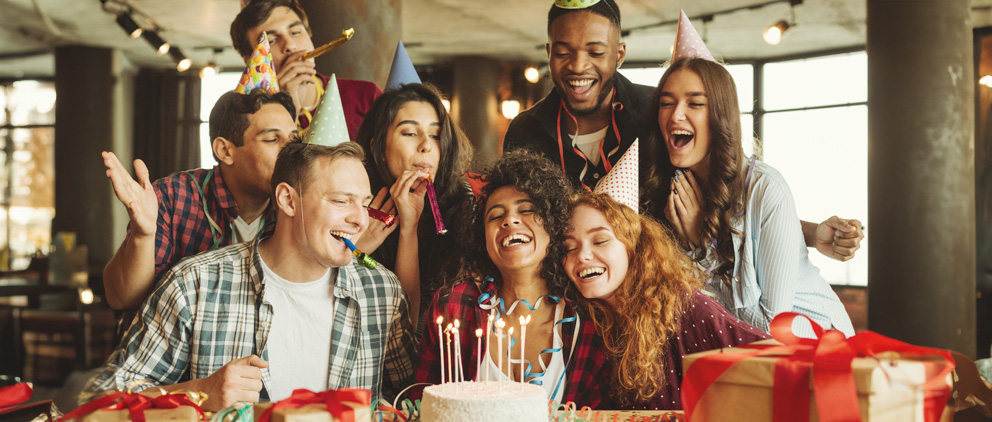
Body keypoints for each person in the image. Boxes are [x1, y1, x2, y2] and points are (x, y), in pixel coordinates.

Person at [504, 0, 864, 262]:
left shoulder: (658, 110)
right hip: (563, 302)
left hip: (653, 300)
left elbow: (729, 198)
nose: (578, 65)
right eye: (563, 52)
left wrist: (812, 234)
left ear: (619, 54)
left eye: (595, 51)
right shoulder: (524, 132)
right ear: (549, 53)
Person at [86, 142, 415, 410]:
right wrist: (199, 391)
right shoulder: (194, 285)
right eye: (341, 201)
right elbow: (103, 397)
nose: (360, 220)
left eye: (364, 204)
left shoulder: (380, 291)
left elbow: (407, 398)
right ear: (288, 199)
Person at [641, 57, 855, 337]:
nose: (675, 115)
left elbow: (769, 328)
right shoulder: (671, 193)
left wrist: (702, 250)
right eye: (666, 103)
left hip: (818, 347)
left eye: (695, 103)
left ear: (721, 115)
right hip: (743, 361)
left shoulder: (766, 188)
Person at [414, 151, 609, 407]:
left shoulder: (588, 318)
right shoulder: (453, 307)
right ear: (482, 238)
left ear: (553, 225)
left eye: (527, 210)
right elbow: (422, 405)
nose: (510, 220)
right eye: (495, 216)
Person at [563, 191, 768, 410]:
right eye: (569, 248)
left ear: (633, 246)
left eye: (600, 240)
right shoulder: (579, 322)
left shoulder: (685, 309)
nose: (582, 255)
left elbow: (774, 360)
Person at [102, 90, 297, 311]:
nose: (290, 151)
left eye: (293, 139)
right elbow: (121, 298)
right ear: (225, 150)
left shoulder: (296, 206)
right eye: (272, 139)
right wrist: (143, 235)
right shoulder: (172, 197)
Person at [353, 83, 474, 329]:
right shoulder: (353, 208)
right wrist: (356, 251)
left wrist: (410, 227)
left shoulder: (465, 208)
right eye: (409, 133)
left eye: (436, 135)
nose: (426, 146)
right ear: (379, 148)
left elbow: (411, 325)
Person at [230, 0, 381, 135]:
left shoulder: (367, 97)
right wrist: (288, 108)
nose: (290, 45)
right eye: (271, 40)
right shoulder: (247, 120)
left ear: (309, 35)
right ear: (250, 61)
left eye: (295, 32)